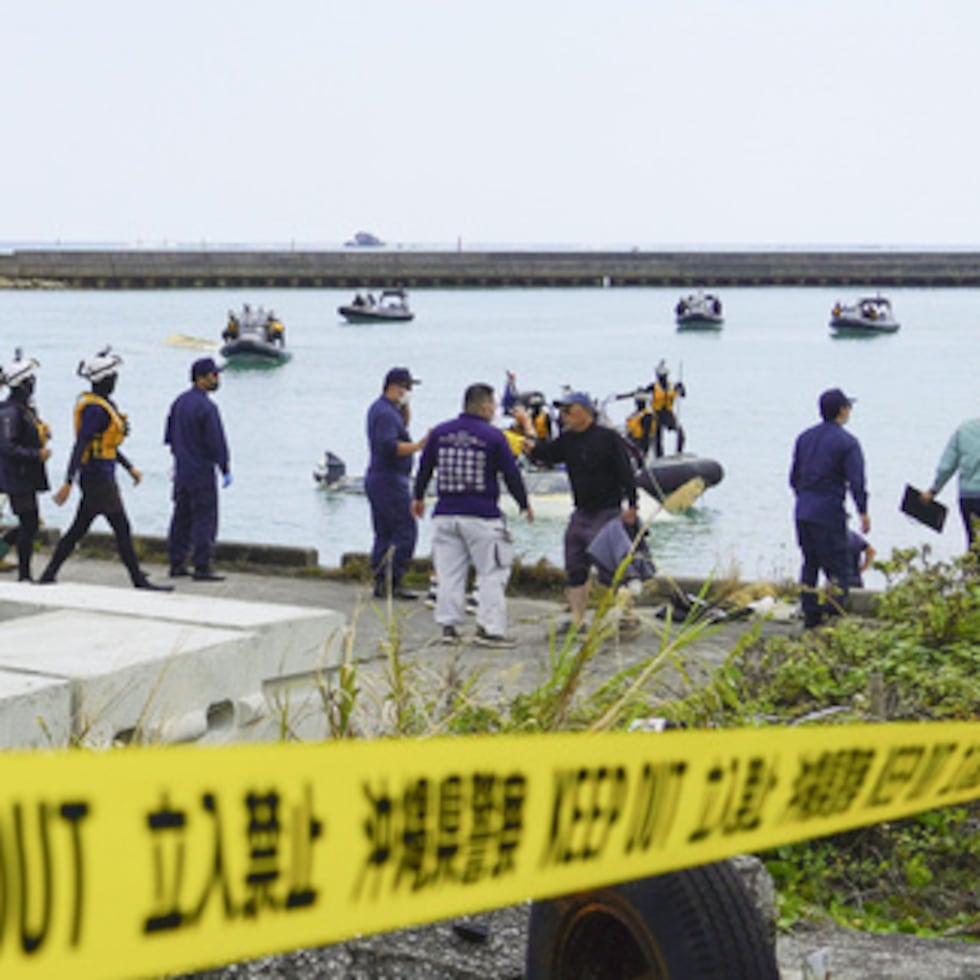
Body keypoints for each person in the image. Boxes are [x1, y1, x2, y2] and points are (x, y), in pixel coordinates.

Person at [411, 382, 533, 647]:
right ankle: (490, 629)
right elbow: (510, 474)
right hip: (481, 514)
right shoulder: (492, 436)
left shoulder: (440, 433)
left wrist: (418, 497)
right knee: (492, 571)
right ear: (485, 406)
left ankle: (448, 627)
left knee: (449, 573)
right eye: (494, 405)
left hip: (445, 513)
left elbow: (424, 468)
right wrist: (524, 503)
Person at [40, 348, 171, 591]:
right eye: (113, 377)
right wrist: (68, 481)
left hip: (99, 475)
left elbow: (105, 445)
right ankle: (138, 580)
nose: (116, 381)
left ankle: (49, 573)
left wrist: (129, 467)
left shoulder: (101, 405)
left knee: (79, 528)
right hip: (98, 478)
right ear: (106, 380)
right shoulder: (95, 410)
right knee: (121, 527)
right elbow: (81, 445)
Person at [518, 391, 638, 629]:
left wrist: (632, 505)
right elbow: (548, 454)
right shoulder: (568, 439)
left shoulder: (608, 438)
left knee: (612, 568)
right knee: (575, 565)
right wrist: (530, 445)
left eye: (568, 411)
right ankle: (577, 619)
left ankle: (627, 615)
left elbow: (626, 473)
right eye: (562, 412)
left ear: (585, 411)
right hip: (581, 512)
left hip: (608, 511)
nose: (564, 416)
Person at [789, 387, 869, 629]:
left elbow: (794, 477)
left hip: (803, 509)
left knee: (810, 563)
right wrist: (863, 511)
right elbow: (857, 481)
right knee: (839, 568)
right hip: (828, 511)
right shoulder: (848, 443)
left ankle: (810, 615)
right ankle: (834, 615)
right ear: (842, 411)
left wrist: (805, 497)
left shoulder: (804, 438)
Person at [164, 357, 232, 581]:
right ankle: (202, 565)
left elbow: (170, 438)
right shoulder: (207, 407)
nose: (217, 379)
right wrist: (224, 467)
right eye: (213, 375)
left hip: (182, 470)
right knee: (205, 518)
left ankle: (177, 562)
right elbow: (216, 441)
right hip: (201, 470)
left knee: (181, 517)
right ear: (201, 379)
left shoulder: (179, 403)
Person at [366, 367, 428, 599]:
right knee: (404, 531)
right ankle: (393, 578)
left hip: (382, 478)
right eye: (406, 388)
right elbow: (389, 446)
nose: (409, 393)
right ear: (395, 387)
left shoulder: (387, 410)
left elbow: (402, 428)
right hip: (389, 479)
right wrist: (420, 445)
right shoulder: (384, 413)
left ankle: (382, 580)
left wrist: (404, 408)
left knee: (384, 532)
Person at [0, 351, 52, 581]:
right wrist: (36, 454)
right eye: (30, 380)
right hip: (16, 475)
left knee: (30, 523)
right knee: (29, 523)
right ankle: (24, 574)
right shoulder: (10, 412)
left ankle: (15, 562)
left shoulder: (24, 408)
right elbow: (7, 447)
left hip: (24, 475)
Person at [920, 414, 980, 550]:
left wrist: (933, 490)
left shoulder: (964, 429)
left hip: (968, 497)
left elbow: (946, 467)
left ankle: (971, 569)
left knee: (974, 543)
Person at [649, 360, 686, 457]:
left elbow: (683, 395)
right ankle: (659, 456)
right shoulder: (653, 387)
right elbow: (644, 396)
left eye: (664, 376)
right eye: (660, 376)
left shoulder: (672, 386)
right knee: (657, 438)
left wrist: (681, 388)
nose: (662, 378)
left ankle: (679, 452)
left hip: (668, 413)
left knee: (680, 433)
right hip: (656, 414)